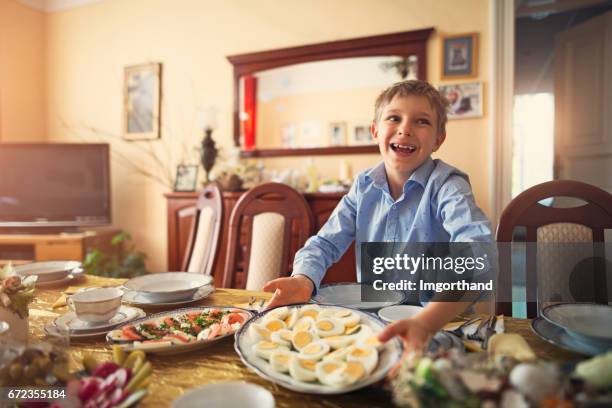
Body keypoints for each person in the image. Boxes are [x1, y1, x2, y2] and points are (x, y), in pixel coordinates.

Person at [262, 80, 493, 353]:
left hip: (441, 326)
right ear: (375, 131)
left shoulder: (447, 185)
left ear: (438, 140)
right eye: (394, 118)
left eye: (421, 121)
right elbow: (325, 243)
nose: (405, 129)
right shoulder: (363, 186)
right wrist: (303, 279)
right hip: (373, 323)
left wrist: (427, 321)